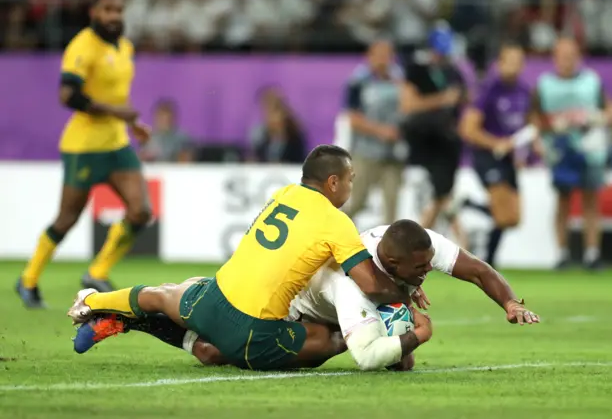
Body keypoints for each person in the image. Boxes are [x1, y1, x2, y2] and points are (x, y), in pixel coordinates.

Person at [67, 145, 414, 371]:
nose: (353, 188)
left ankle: (93, 302)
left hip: (212, 299)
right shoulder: (336, 221)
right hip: (254, 332)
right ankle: (187, 342)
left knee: (166, 293)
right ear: (333, 182)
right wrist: (406, 293)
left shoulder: (284, 194)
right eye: (351, 181)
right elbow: (370, 284)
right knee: (331, 337)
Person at [73, 220, 539, 372]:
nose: (426, 274)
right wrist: (417, 335)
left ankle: (127, 320)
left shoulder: (416, 246)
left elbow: (477, 269)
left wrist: (511, 302)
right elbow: (368, 356)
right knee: (208, 335)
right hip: (298, 311)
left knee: (212, 354)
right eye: (418, 272)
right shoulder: (351, 279)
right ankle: (112, 307)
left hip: (345, 309)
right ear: (390, 265)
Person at [17, 0, 152, 308]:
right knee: (67, 218)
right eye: (107, 10)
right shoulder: (82, 46)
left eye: (118, 10)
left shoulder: (124, 47)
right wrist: (118, 113)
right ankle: (28, 280)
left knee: (141, 211)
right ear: (94, 12)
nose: (114, 16)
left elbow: (118, 96)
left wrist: (132, 124)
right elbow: (68, 95)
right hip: (84, 147)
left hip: (117, 143)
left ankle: (96, 272)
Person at [530, 37, 612, 270]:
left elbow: (609, 109)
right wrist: (549, 127)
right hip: (559, 151)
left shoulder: (591, 81)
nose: (566, 61)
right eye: (562, 56)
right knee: (563, 201)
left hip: (590, 149)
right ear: (555, 58)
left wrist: (602, 117)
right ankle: (562, 253)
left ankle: (592, 254)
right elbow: (535, 116)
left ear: (578, 57)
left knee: (591, 199)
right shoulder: (545, 84)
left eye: (571, 56)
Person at [459, 43, 532, 268]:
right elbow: (467, 129)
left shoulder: (523, 91)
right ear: (498, 64)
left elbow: (525, 126)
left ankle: (469, 205)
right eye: (509, 61)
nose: (514, 67)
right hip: (487, 156)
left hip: (508, 158)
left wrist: (523, 150)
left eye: (519, 62)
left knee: (514, 218)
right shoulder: (487, 90)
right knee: (502, 215)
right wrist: (496, 143)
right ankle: (489, 261)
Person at [399, 21, 467, 232]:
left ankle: (429, 239)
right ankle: (420, 238)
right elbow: (408, 105)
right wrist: (442, 99)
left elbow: (463, 102)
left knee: (443, 197)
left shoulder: (454, 72)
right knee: (436, 198)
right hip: (422, 143)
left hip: (446, 143)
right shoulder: (416, 69)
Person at [344, 40, 406, 225]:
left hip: (394, 153)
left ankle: (390, 250)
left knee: (392, 204)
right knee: (357, 201)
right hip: (366, 152)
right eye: (379, 54)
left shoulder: (400, 79)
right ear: (369, 56)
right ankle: (329, 241)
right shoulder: (359, 81)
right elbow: (353, 119)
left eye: (387, 55)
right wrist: (381, 131)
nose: (383, 60)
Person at [249, 87, 307, 164]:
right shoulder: (261, 137)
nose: (269, 117)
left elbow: (299, 163)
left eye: (274, 112)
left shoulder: (295, 138)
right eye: (267, 112)